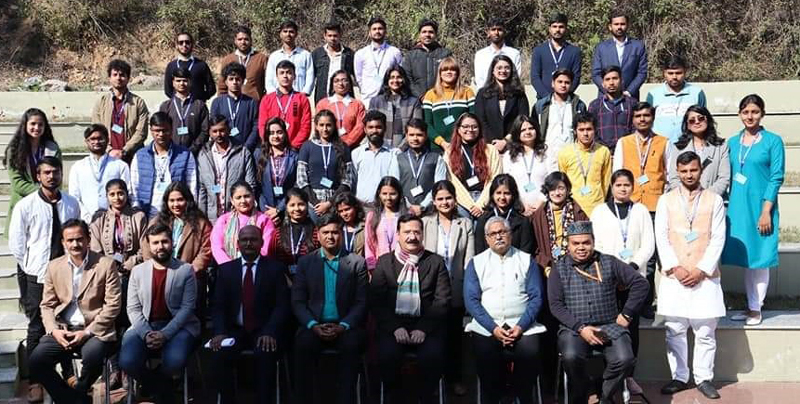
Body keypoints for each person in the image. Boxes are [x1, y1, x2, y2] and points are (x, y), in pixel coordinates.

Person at [548, 221, 649, 404]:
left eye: (586, 242)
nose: (581, 247)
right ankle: (585, 390)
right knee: (570, 357)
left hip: (610, 325)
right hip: (574, 329)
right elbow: (555, 305)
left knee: (625, 359)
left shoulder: (609, 262)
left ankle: (603, 394)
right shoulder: (559, 269)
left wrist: (627, 313)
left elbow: (641, 284)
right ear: (568, 245)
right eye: (575, 243)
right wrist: (580, 328)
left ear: (593, 242)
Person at [9, 157, 81, 402]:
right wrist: (31, 266)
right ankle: (34, 381)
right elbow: (17, 242)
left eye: (56, 172)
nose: (52, 176)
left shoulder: (71, 203)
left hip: (67, 274)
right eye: (47, 172)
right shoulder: (26, 205)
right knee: (37, 326)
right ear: (38, 176)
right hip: (37, 275)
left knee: (64, 321)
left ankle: (69, 373)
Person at [654, 151, 725, 400]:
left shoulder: (714, 200)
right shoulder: (666, 200)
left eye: (693, 170)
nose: (689, 175)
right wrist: (675, 267)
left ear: (700, 170)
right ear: (677, 171)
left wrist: (700, 270)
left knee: (705, 330)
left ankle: (704, 378)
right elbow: (661, 236)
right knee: (675, 328)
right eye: (683, 171)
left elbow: (718, 238)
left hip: (704, 275)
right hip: (675, 275)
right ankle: (680, 377)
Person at [29, 219, 122, 404]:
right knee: (36, 362)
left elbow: (113, 305)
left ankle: (79, 392)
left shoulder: (105, 264)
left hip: (94, 330)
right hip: (63, 329)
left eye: (79, 239)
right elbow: (46, 305)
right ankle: (71, 399)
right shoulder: (54, 266)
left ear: (88, 239)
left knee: (93, 356)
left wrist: (86, 332)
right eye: (69, 240)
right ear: (63, 243)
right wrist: (54, 330)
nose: (75, 244)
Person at [369, 214, 451, 404]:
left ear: (422, 234)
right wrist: (394, 327)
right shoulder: (384, 262)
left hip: (426, 326)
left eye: (416, 232)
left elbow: (442, 300)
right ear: (398, 234)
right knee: (388, 357)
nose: (412, 236)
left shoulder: (435, 262)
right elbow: (376, 300)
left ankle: (425, 397)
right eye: (407, 232)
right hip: (393, 326)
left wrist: (423, 328)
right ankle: (395, 397)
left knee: (432, 357)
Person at [465, 216, 545, 403]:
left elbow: (536, 297)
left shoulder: (526, 260)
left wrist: (520, 327)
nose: (498, 237)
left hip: (523, 325)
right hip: (487, 326)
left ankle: (522, 397)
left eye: (502, 232)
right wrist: (493, 328)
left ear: (510, 234)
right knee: (485, 355)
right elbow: (471, 300)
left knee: (530, 353)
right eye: (493, 234)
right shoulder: (476, 263)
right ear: (486, 238)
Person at [722, 94, 785, 326]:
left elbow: (777, 176)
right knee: (747, 258)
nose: (750, 116)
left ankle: (757, 308)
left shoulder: (772, 141)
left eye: (755, 112)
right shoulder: (732, 142)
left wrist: (766, 210)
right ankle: (750, 307)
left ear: (762, 114)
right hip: (738, 207)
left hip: (761, 205)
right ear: (739, 114)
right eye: (746, 112)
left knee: (760, 257)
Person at [292, 214, 368, 404]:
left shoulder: (357, 262)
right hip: (314, 325)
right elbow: (298, 302)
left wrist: (343, 325)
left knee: (351, 348)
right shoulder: (305, 263)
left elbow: (361, 302)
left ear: (341, 234)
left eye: (335, 232)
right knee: (302, 347)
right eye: (325, 232)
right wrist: (312, 325)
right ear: (318, 235)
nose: (330, 237)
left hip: (345, 326)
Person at [120, 224, 201, 404]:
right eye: (155, 242)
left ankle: (153, 389)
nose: (160, 246)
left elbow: (188, 308)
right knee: (127, 361)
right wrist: (146, 333)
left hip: (178, 327)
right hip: (144, 326)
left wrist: (165, 334)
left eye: (164, 241)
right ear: (149, 245)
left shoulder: (185, 270)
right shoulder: (137, 271)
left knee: (175, 360)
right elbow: (133, 308)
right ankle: (162, 391)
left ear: (172, 243)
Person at [209, 225, 290, 404]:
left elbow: (282, 306)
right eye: (244, 240)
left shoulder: (275, 269)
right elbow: (218, 306)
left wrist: (271, 331)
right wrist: (220, 332)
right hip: (234, 331)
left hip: (264, 330)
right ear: (237, 244)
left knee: (266, 354)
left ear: (261, 242)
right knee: (219, 355)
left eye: (253, 239)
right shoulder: (226, 270)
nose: (248, 243)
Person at [591, 169, 655, 392]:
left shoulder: (641, 210)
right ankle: (608, 376)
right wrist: (613, 273)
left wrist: (632, 267)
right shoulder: (599, 211)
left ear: (632, 187)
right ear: (611, 186)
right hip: (607, 280)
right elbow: (596, 245)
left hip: (634, 280)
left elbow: (648, 244)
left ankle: (629, 376)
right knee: (607, 326)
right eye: (618, 185)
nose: (623, 189)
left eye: (627, 185)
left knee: (631, 327)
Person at [422, 180, 474, 396]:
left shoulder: (466, 224)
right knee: (432, 337)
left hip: (456, 288)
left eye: (448, 198)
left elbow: (469, 261)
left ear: (455, 200)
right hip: (430, 291)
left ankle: (454, 380)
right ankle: (433, 382)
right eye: (440, 199)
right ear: (434, 201)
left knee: (454, 338)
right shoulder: (425, 223)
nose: (445, 202)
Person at [144, 182, 213, 313]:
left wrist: (188, 272)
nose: (176, 204)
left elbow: (206, 251)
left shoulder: (201, 223)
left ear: (188, 200)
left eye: (180, 200)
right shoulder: (158, 221)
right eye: (172, 200)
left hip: (191, 275)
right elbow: (146, 246)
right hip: (161, 272)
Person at [4, 108, 61, 237]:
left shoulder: (52, 149)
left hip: (48, 203)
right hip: (23, 202)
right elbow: (17, 183)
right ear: (25, 125)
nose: (37, 127)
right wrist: (42, 192)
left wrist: (50, 195)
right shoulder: (14, 150)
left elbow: (58, 176)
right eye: (33, 124)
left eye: (40, 124)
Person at [130, 112, 198, 217]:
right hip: (148, 214)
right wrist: (137, 211)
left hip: (176, 214)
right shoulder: (140, 155)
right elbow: (134, 186)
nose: (161, 134)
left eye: (165, 130)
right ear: (151, 131)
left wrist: (190, 211)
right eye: (157, 131)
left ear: (171, 130)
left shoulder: (185, 154)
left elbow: (192, 185)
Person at [197, 115, 258, 222]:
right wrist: (202, 218)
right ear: (210, 133)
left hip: (238, 214)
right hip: (212, 217)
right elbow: (202, 189)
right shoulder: (203, 154)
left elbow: (250, 185)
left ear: (228, 130)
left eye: (222, 130)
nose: (218, 134)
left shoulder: (243, 152)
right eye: (214, 131)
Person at [297, 110, 356, 219]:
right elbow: (301, 180)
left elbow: (347, 181)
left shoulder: (343, 147)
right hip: (313, 204)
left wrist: (329, 203)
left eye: (328, 125)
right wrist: (316, 203)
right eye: (321, 125)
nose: (325, 129)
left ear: (334, 126)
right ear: (316, 126)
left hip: (336, 202)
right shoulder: (307, 147)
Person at [445, 113, 502, 219]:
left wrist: (481, 204)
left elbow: (495, 178)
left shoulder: (490, 150)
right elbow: (452, 181)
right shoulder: (449, 152)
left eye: (474, 127)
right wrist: (469, 204)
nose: (470, 130)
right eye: (465, 126)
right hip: (461, 202)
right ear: (458, 129)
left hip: (486, 199)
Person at [69, 124, 131, 222]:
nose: (96, 142)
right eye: (92, 139)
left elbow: (128, 193)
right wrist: (87, 217)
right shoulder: (78, 167)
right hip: (86, 220)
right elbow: (74, 196)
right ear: (86, 141)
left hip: (115, 220)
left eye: (100, 138)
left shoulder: (120, 165)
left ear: (108, 140)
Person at [531, 172, 589, 274]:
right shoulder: (539, 214)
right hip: (548, 267)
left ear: (568, 190)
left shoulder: (578, 212)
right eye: (553, 189)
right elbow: (534, 247)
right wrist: (546, 266)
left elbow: (587, 241)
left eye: (561, 188)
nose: (557, 193)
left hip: (574, 267)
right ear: (547, 191)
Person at [92, 59, 150, 161]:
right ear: (109, 78)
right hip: (107, 156)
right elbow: (96, 129)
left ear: (128, 78)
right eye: (115, 75)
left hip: (132, 156)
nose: (118, 78)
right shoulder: (101, 102)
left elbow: (141, 132)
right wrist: (109, 150)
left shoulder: (138, 102)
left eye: (122, 75)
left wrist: (124, 150)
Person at [388, 119, 448, 216]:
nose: (415, 138)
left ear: (425, 136)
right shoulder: (398, 159)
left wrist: (423, 206)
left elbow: (439, 186)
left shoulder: (436, 158)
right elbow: (394, 186)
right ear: (406, 136)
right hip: (404, 211)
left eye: (419, 135)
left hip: (430, 212)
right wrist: (408, 206)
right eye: (411, 135)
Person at [557, 112, 612, 216]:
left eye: (589, 129)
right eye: (581, 130)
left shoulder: (603, 151)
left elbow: (606, 181)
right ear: (575, 131)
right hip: (573, 207)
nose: (585, 133)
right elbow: (563, 181)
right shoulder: (565, 152)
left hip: (597, 207)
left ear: (595, 130)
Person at [667, 106, 730, 195]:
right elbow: (674, 178)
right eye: (692, 120)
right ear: (687, 125)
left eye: (701, 118)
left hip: (712, 199)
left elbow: (724, 178)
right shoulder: (678, 148)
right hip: (684, 200)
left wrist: (705, 196)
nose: (697, 122)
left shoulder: (721, 146)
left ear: (707, 120)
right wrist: (688, 195)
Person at [89, 179, 148, 275]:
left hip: (134, 269)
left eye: (120, 193)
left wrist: (130, 263)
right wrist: (109, 265)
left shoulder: (138, 217)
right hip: (105, 270)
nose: (117, 198)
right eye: (112, 194)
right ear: (107, 197)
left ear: (127, 194)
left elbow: (145, 247)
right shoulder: (99, 218)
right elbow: (95, 249)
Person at [211, 181, 275, 265]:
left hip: (257, 268)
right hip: (228, 269)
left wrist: (247, 266)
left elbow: (266, 248)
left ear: (253, 196)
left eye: (247, 196)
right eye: (238, 197)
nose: (243, 201)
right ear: (232, 201)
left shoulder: (264, 220)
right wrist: (230, 266)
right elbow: (217, 247)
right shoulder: (223, 220)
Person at [646, 55, 707, 142]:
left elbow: (703, 121)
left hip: (688, 145)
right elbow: (648, 121)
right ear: (664, 73)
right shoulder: (653, 94)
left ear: (685, 72)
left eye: (678, 73)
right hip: (660, 145)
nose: (674, 77)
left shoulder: (697, 93)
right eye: (670, 73)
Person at [475, 54, 530, 149]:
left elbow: (522, 119)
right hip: (489, 146)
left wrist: (506, 141)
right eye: (499, 68)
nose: (503, 71)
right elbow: (480, 120)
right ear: (493, 71)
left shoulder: (519, 93)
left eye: (507, 68)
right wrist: (494, 142)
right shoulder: (483, 93)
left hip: (514, 145)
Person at [591, 9, 648, 100]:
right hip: (606, 97)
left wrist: (629, 91)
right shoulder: (601, 48)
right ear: (610, 26)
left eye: (622, 24)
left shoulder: (638, 46)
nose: (619, 27)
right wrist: (608, 90)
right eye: (616, 24)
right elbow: (596, 74)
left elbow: (642, 73)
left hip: (630, 97)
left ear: (627, 25)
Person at [533, 68, 588, 163]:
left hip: (572, 156)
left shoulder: (579, 105)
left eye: (567, 82)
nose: (563, 85)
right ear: (553, 84)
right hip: (547, 156)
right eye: (560, 82)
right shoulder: (541, 105)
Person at [257, 60, 313, 150]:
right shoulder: (267, 99)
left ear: (294, 76)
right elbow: (262, 125)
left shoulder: (302, 99)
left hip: (295, 149)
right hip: (272, 149)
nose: (285, 76)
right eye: (282, 73)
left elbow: (305, 127)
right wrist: (271, 144)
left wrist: (293, 146)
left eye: (289, 73)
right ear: (277, 76)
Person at [423, 57, 476, 151]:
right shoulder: (430, 94)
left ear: (458, 73)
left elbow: (474, 119)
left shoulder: (467, 92)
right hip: (438, 147)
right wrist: (442, 142)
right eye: (445, 70)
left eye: (452, 69)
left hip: (463, 145)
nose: (449, 72)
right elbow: (427, 124)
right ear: (440, 73)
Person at [503, 115, 552, 216]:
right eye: (523, 130)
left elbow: (552, 180)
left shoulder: (547, 152)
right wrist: (521, 204)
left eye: (531, 128)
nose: (528, 132)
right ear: (517, 133)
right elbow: (508, 183)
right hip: (518, 208)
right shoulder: (508, 156)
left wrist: (541, 201)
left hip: (544, 207)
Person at [475, 174, 535, 254]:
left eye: (507, 193)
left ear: (513, 195)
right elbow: (480, 250)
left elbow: (526, 251)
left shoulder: (523, 222)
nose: (502, 197)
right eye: (498, 193)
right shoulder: (483, 220)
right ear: (492, 195)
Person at [255, 118, 298, 226]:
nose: (275, 136)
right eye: (271, 133)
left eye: (279, 132)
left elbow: (296, 185)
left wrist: (279, 209)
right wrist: (267, 211)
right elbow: (257, 187)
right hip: (265, 209)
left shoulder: (294, 156)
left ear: (285, 133)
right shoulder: (258, 154)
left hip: (288, 208)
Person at [368, 66, 423, 148]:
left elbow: (416, 129)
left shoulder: (414, 102)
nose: (395, 80)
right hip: (380, 149)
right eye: (392, 77)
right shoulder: (375, 102)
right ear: (387, 80)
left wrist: (400, 149)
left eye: (399, 77)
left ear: (404, 79)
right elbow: (370, 128)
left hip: (405, 151)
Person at [354, 16, 403, 108]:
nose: (377, 31)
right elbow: (359, 77)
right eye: (374, 29)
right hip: (368, 100)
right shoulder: (360, 54)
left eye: (380, 29)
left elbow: (400, 74)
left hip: (390, 100)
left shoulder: (394, 52)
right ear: (369, 32)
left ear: (385, 31)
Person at [210, 62, 261, 150]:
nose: (234, 82)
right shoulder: (217, 102)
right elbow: (213, 127)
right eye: (231, 79)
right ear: (226, 81)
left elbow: (256, 126)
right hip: (224, 149)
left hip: (246, 149)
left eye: (237, 79)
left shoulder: (251, 102)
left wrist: (247, 147)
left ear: (243, 81)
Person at [158, 67, 210, 154]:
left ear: (190, 82)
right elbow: (161, 129)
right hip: (171, 152)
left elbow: (205, 130)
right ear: (173, 83)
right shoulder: (166, 106)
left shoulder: (199, 105)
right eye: (178, 81)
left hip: (195, 153)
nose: (182, 83)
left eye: (185, 80)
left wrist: (194, 148)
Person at [530, 12, 582, 99]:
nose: (557, 30)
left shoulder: (575, 51)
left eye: (561, 27)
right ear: (549, 29)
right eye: (554, 26)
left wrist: (564, 96)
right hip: (543, 100)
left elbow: (576, 77)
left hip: (566, 100)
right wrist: (547, 98)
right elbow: (535, 77)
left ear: (566, 29)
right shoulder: (538, 51)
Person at [269, 188, 320, 275]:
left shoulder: (316, 232)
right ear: (286, 207)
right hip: (283, 281)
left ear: (307, 205)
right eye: (292, 205)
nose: (297, 209)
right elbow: (272, 259)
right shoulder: (277, 233)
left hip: (310, 280)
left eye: (301, 204)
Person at [588, 66, 636, 153]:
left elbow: (635, 129)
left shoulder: (632, 103)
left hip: (626, 152)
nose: (611, 82)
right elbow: (591, 131)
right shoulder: (594, 105)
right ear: (603, 83)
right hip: (602, 153)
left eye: (615, 78)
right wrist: (604, 151)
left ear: (621, 81)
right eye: (607, 79)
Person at [315, 69, 367, 147]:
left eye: (344, 80)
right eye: (336, 81)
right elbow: (318, 126)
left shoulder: (358, 105)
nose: (340, 84)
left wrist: (346, 144)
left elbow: (360, 127)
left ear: (349, 84)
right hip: (327, 146)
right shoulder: (323, 104)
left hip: (351, 148)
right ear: (332, 85)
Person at [403, 18, 453, 98]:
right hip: (417, 101)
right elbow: (407, 79)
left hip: (441, 99)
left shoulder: (445, 54)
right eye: (424, 32)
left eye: (431, 32)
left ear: (435, 34)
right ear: (419, 34)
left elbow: (451, 75)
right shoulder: (410, 56)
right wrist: (420, 96)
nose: (427, 35)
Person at [352, 111, 395, 203]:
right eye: (370, 127)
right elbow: (353, 181)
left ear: (385, 128)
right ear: (365, 129)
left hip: (386, 206)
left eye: (378, 127)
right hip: (362, 206)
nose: (374, 131)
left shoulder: (394, 153)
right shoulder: (356, 153)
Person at [365, 176, 407, 271]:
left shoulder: (407, 215)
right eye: (384, 194)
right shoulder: (373, 216)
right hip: (379, 267)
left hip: (403, 266)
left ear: (399, 194)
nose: (388, 198)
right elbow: (369, 244)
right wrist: (371, 267)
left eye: (393, 194)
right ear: (379, 194)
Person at [217, 25, 269, 101]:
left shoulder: (261, 58)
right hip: (232, 105)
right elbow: (222, 86)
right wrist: (222, 103)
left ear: (251, 40)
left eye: (246, 39)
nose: (243, 42)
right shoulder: (228, 59)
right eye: (240, 39)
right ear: (235, 41)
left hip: (254, 104)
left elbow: (268, 85)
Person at [265, 20, 315, 95]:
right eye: (285, 31)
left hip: (299, 97)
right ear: (280, 34)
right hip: (278, 98)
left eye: (291, 31)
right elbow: (269, 79)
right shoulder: (274, 56)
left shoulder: (305, 55)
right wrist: (273, 96)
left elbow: (310, 77)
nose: (288, 34)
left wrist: (304, 94)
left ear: (296, 34)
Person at [311, 21, 356, 103]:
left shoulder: (349, 54)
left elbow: (357, 76)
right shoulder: (317, 54)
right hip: (323, 99)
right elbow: (311, 77)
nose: (332, 39)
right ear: (324, 36)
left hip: (345, 100)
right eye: (329, 36)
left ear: (340, 35)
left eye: (335, 36)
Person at [164, 31, 216, 101]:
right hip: (178, 108)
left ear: (192, 44)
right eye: (181, 42)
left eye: (187, 42)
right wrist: (178, 101)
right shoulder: (171, 66)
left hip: (198, 108)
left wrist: (200, 100)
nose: (184, 45)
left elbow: (211, 88)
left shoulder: (201, 65)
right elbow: (168, 90)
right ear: (176, 45)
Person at [473, 18, 522, 89]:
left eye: (499, 29)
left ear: (504, 31)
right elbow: (480, 80)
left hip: (509, 94)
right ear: (488, 32)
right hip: (487, 95)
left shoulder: (514, 54)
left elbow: (516, 77)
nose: (496, 32)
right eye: (493, 29)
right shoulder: (481, 55)